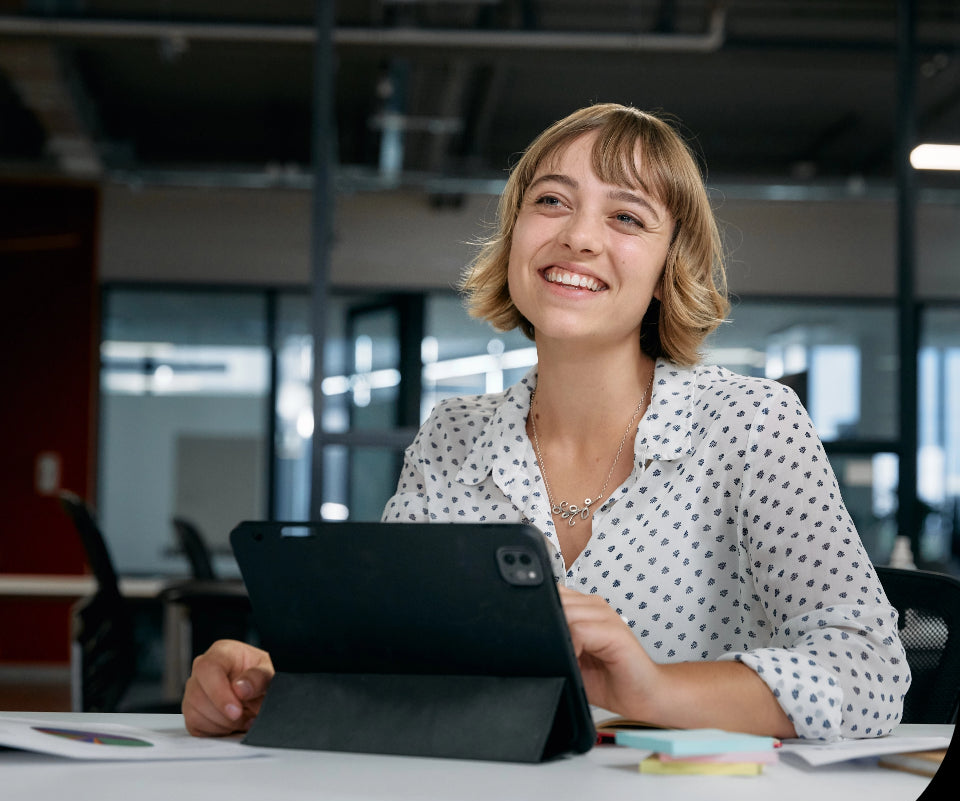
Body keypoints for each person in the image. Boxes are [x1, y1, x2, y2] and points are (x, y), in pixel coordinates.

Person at [183, 103, 909, 741]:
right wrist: (264, 681)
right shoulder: (452, 437)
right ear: (515, 237)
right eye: (552, 201)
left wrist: (651, 689)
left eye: (626, 217)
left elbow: (870, 669)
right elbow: (393, 657)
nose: (579, 238)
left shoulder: (751, 424)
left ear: (666, 270)